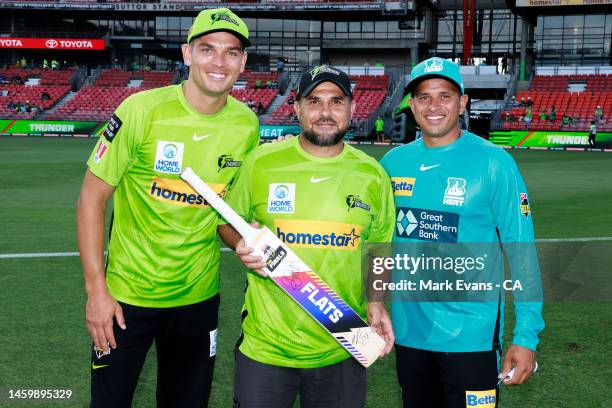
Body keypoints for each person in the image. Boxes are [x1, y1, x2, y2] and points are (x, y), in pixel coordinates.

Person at [76, 8, 259, 407]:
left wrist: (246, 240)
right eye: (208, 49)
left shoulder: (246, 124)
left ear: (243, 63)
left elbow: (226, 213)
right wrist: (96, 292)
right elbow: (91, 199)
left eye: (231, 52)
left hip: (198, 298)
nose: (220, 61)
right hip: (126, 299)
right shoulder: (141, 110)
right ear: (187, 54)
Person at [218, 65, 395, 408]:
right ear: (297, 108)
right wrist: (238, 241)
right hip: (266, 347)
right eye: (314, 101)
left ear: (352, 109)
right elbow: (226, 221)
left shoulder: (372, 175)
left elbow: (379, 248)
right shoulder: (262, 162)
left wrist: (376, 303)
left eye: (336, 101)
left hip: (342, 343)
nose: (325, 112)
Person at [382, 57, 544, 408]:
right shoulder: (392, 164)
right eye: (424, 97)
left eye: (445, 96)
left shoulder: (494, 163)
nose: (434, 106)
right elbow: (378, 246)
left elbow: (522, 252)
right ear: (411, 104)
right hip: (410, 335)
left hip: (473, 337)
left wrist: (526, 336)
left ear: (463, 102)